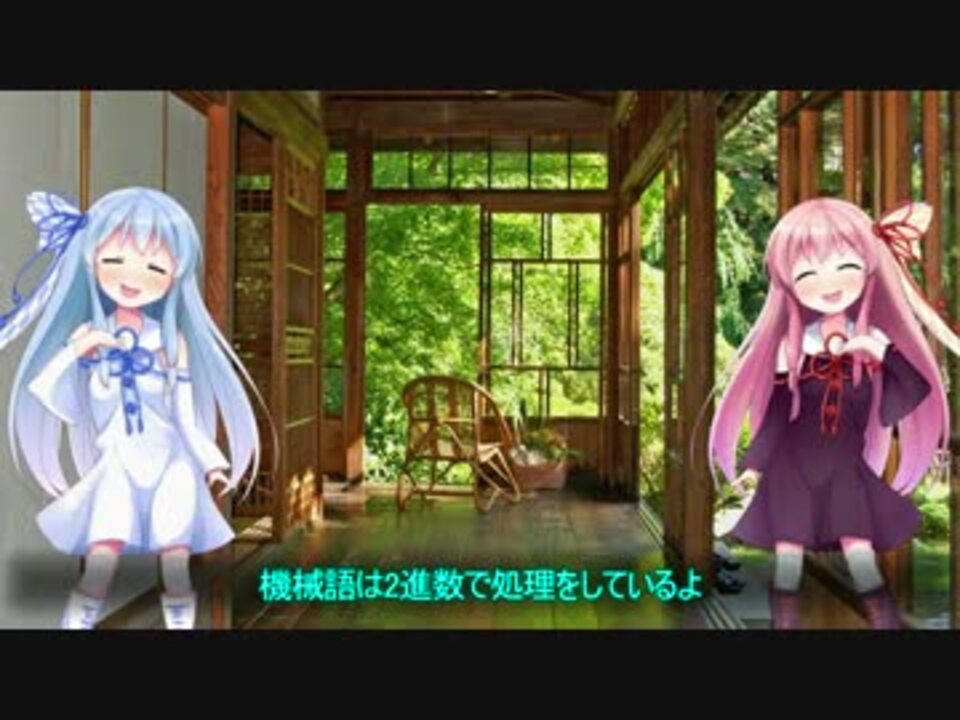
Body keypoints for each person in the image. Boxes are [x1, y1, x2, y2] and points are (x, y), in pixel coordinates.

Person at [2, 188, 265, 629]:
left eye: (154, 267)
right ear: (92, 260)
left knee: (176, 564)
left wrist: (211, 462)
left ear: (175, 274)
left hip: (173, 464)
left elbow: (184, 416)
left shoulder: (171, 341)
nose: (132, 276)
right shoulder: (87, 337)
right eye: (115, 260)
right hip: (117, 465)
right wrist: (76, 350)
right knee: (100, 562)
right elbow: (44, 391)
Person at [708, 198, 958, 629]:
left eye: (846, 266)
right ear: (789, 282)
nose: (829, 282)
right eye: (807, 273)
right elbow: (778, 415)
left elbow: (913, 392)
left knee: (861, 559)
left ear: (869, 267)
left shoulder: (875, 339)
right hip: (790, 467)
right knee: (788, 563)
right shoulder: (791, 345)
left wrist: (880, 352)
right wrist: (753, 467)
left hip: (846, 468)